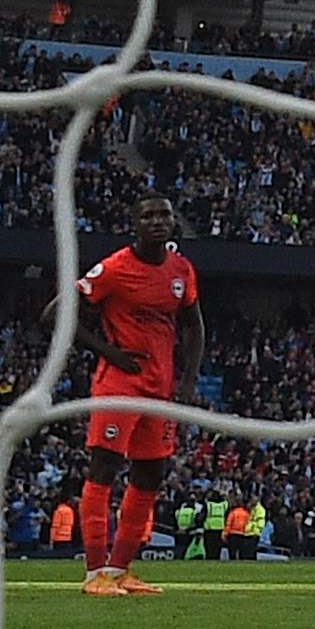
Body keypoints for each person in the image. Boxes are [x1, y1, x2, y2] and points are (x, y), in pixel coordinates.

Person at [64, 193, 200, 599]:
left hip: (160, 389)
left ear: (174, 222)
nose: (157, 221)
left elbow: (195, 326)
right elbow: (57, 314)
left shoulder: (181, 269)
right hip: (118, 385)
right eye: (148, 216)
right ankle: (94, 574)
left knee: (150, 475)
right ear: (134, 225)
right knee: (104, 467)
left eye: (164, 214)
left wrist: (188, 383)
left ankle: (121, 569)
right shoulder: (115, 268)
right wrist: (111, 352)